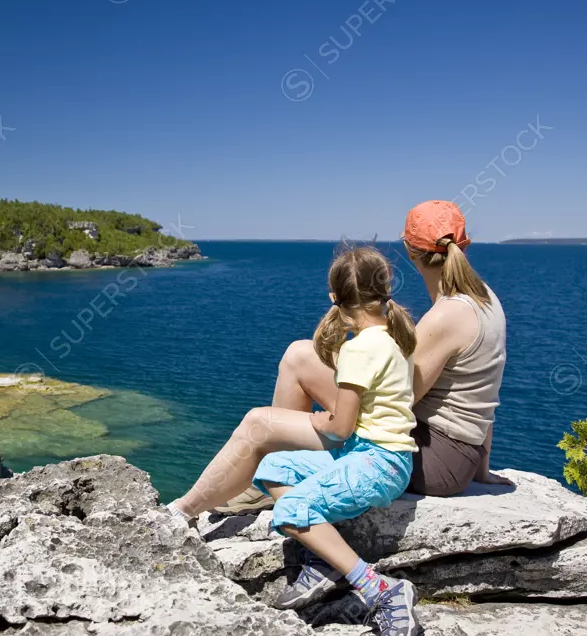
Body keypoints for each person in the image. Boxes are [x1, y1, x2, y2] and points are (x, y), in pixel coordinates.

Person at [217, 200, 509, 611]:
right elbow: (485, 389)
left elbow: (402, 397)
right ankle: (288, 479)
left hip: (436, 459)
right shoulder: (486, 299)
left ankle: (281, 484)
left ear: (410, 251)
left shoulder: (446, 315)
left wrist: (351, 375)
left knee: (299, 359)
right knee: (305, 358)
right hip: (461, 454)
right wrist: (480, 465)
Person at [166, 246, 422, 636]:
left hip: (377, 462)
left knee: (291, 512)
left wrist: (322, 422)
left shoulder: (359, 349)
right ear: (383, 291)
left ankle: (381, 590)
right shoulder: (397, 336)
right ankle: (324, 556)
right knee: (273, 465)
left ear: (334, 299)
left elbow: (340, 427)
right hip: (377, 455)